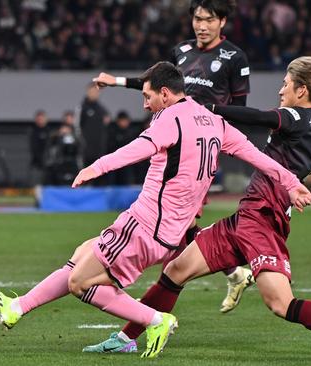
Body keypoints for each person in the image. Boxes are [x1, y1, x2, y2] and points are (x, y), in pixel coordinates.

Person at [0, 61, 311, 358]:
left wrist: (95, 168)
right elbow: (257, 156)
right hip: (168, 233)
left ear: (165, 94)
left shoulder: (170, 118)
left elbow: (139, 148)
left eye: (147, 97)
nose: (145, 105)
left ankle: (155, 319)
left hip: (144, 225)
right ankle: (18, 307)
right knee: (83, 251)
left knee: (80, 282)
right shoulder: (214, 121)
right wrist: (290, 182)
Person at [100, 56, 311, 357]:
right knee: (176, 270)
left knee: (281, 304)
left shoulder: (294, 116)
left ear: (301, 91)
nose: (280, 90)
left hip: (261, 222)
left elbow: (259, 117)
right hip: (244, 219)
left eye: (285, 84)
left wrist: (206, 109)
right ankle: (126, 337)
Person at [92, 0, 255, 321]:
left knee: (178, 219)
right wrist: (118, 81)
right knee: (183, 223)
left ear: (222, 21)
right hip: (171, 140)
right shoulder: (181, 51)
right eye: (197, 19)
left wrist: (224, 142)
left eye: (209, 19)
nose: (202, 25)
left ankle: (162, 299)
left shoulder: (235, 58)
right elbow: (158, 83)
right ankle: (233, 272)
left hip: (199, 149)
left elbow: (240, 110)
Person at [78, 83, 110, 174]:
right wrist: (82, 141)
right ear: (88, 92)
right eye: (92, 91)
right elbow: (77, 126)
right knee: (86, 174)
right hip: (86, 149)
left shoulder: (101, 108)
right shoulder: (82, 107)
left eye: (96, 91)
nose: (94, 94)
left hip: (99, 149)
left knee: (99, 174)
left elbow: (107, 120)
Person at [106, 111, 137, 185]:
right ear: (118, 121)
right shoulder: (112, 133)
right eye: (122, 120)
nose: (124, 122)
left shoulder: (132, 133)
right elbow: (110, 149)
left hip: (128, 164)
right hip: (115, 164)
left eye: (126, 120)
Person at [29, 110, 51, 186]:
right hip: (38, 164)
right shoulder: (33, 132)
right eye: (39, 119)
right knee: (36, 184)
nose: (40, 121)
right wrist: (41, 160)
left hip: (49, 164)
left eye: (42, 118)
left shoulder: (50, 132)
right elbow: (34, 149)